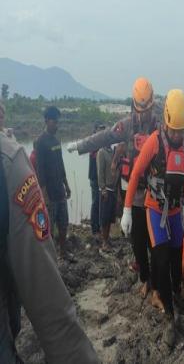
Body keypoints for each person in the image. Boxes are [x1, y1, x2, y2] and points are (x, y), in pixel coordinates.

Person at [0, 132, 99, 364]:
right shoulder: (9, 162)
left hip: (54, 194)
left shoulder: (45, 147)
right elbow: (50, 305)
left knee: (61, 225)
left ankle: (64, 249)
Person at [67, 78, 158, 300]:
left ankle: (154, 283)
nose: (143, 115)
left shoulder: (160, 126)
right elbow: (105, 136)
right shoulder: (126, 126)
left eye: (146, 110)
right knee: (137, 242)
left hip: (156, 193)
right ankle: (145, 278)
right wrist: (80, 146)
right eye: (140, 110)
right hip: (135, 194)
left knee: (155, 242)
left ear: (152, 106)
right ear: (134, 106)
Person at [121, 89, 184, 345]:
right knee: (160, 261)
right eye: (173, 130)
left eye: (180, 130)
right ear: (165, 122)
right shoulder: (154, 141)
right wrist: (128, 209)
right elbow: (135, 174)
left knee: (176, 259)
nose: (176, 135)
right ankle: (168, 311)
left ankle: (175, 292)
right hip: (154, 210)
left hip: (175, 212)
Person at [35, 106, 71, 257]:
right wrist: (44, 194)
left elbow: (61, 164)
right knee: (48, 227)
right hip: (49, 192)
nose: (56, 125)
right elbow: (40, 170)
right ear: (46, 121)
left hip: (60, 190)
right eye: (54, 122)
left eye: (57, 122)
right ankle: (50, 256)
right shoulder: (40, 142)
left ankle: (63, 252)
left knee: (63, 223)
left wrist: (67, 184)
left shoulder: (56, 141)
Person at [97, 142, 119, 250]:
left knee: (110, 217)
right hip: (106, 190)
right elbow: (100, 172)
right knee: (104, 218)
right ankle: (104, 242)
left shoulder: (112, 152)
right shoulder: (101, 152)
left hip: (113, 189)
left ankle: (107, 238)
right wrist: (103, 189)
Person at [89, 123, 106, 239]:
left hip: (101, 179)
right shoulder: (93, 144)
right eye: (100, 130)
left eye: (103, 131)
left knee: (100, 203)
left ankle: (99, 227)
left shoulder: (101, 145)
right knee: (95, 202)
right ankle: (94, 229)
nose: (102, 133)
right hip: (95, 178)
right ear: (95, 132)